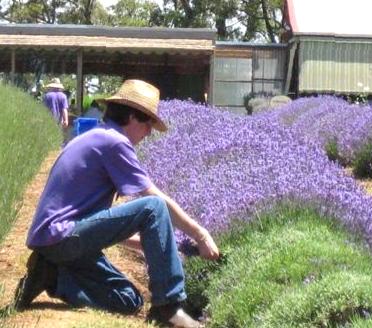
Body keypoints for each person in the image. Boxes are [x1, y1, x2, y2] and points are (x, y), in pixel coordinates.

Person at [13, 79, 220, 328]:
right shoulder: (114, 142)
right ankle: (169, 308)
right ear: (132, 117)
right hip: (61, 236)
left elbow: (99, 223)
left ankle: (53, 276)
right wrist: (201, 235)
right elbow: (153, 199)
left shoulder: (98, 136)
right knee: (153, 206)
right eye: (147, 123)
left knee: (128, 300)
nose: (149, 132)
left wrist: (158, 247)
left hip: (59, 242)